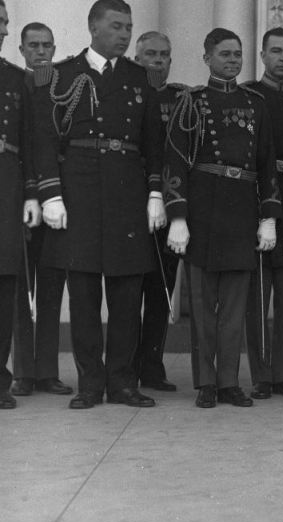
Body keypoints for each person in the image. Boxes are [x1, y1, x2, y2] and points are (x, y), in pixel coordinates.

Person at [32, 0, 166, 410]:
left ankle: (123, 382)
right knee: (85, 294)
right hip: (80, 191)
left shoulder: (139, 76)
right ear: (93, 28)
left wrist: (156, 192)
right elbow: (44, 138)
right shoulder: (62, 75)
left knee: (128, 294)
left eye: (129, 27)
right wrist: (51, 194)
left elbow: (152, 143)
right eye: (116, 26)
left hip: (127, 191)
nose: (125, 34)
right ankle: (91, 383)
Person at [164, 28, 280, 408]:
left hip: (242, 208)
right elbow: (176, 161)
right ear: (207, 57)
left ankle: (229, 381)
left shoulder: (256, 103)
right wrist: (178, 216)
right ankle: (206, 383)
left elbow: (267, 165)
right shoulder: (191, 102)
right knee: (202, 305)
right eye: (225, 54)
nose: (232, 60)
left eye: (237, 54)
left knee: (234, 307)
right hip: (204, 207)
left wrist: (269, 217)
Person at [243, 27, 283, 401]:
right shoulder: (249, 96)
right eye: (277, 51)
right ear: (263, 55)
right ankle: (261, 375)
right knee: (257, 298)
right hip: (257, 202)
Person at [11, 22, 70, 398]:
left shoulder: (64, 86)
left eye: (47, 45)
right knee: (20, 288)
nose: (41, 52)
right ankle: (23, 373)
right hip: (19, 196)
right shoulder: (15, 85)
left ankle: (47, 371)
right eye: (33, 45)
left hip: (57, 196)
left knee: (51, 284)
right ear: (21, 49)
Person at [131, 30, 183, 393]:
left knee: (161, 289)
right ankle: (123, 364)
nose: (158, 60)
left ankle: (151, 366)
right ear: (138, 58)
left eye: (164, 54)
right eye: (151, 53)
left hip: (170, 204)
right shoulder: (127, 94)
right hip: (131, 205)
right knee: (127, 292)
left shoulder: (182, 98)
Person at [1, 0, 42, 409]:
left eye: (4, 23)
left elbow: (30, 143)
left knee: (3, 283)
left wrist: (31, 192)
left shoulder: (16, 79)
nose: (3, 29)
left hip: (6, 183)